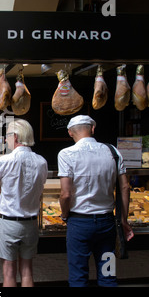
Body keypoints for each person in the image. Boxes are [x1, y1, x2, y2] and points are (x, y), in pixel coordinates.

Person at [57, 115, 134, 287]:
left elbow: (66, 194)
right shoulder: (113, 152)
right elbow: (125, 187)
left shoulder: (66, 154)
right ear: (93, 129)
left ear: (70, 133)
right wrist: (123, 220)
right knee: (108, 273)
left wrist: (64, 215)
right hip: (107, 224)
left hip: (79, 224)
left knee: (78, 276)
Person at [0, 119, 48, 287]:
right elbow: (40, 187)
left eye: (7, 136)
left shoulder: (5, 160)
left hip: (9, 223)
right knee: (27, 270)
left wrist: (0, 188)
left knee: (9, 272)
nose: (5, 140)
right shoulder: (41, 161)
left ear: (16, 137)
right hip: (31, 223)